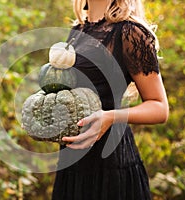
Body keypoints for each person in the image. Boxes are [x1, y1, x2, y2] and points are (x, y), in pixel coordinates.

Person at [51, 0, 169, 199]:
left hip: (111, 163)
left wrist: (110, 117)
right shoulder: (77, 31)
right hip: (73, 162)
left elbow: (160, 107)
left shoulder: (130, 32)